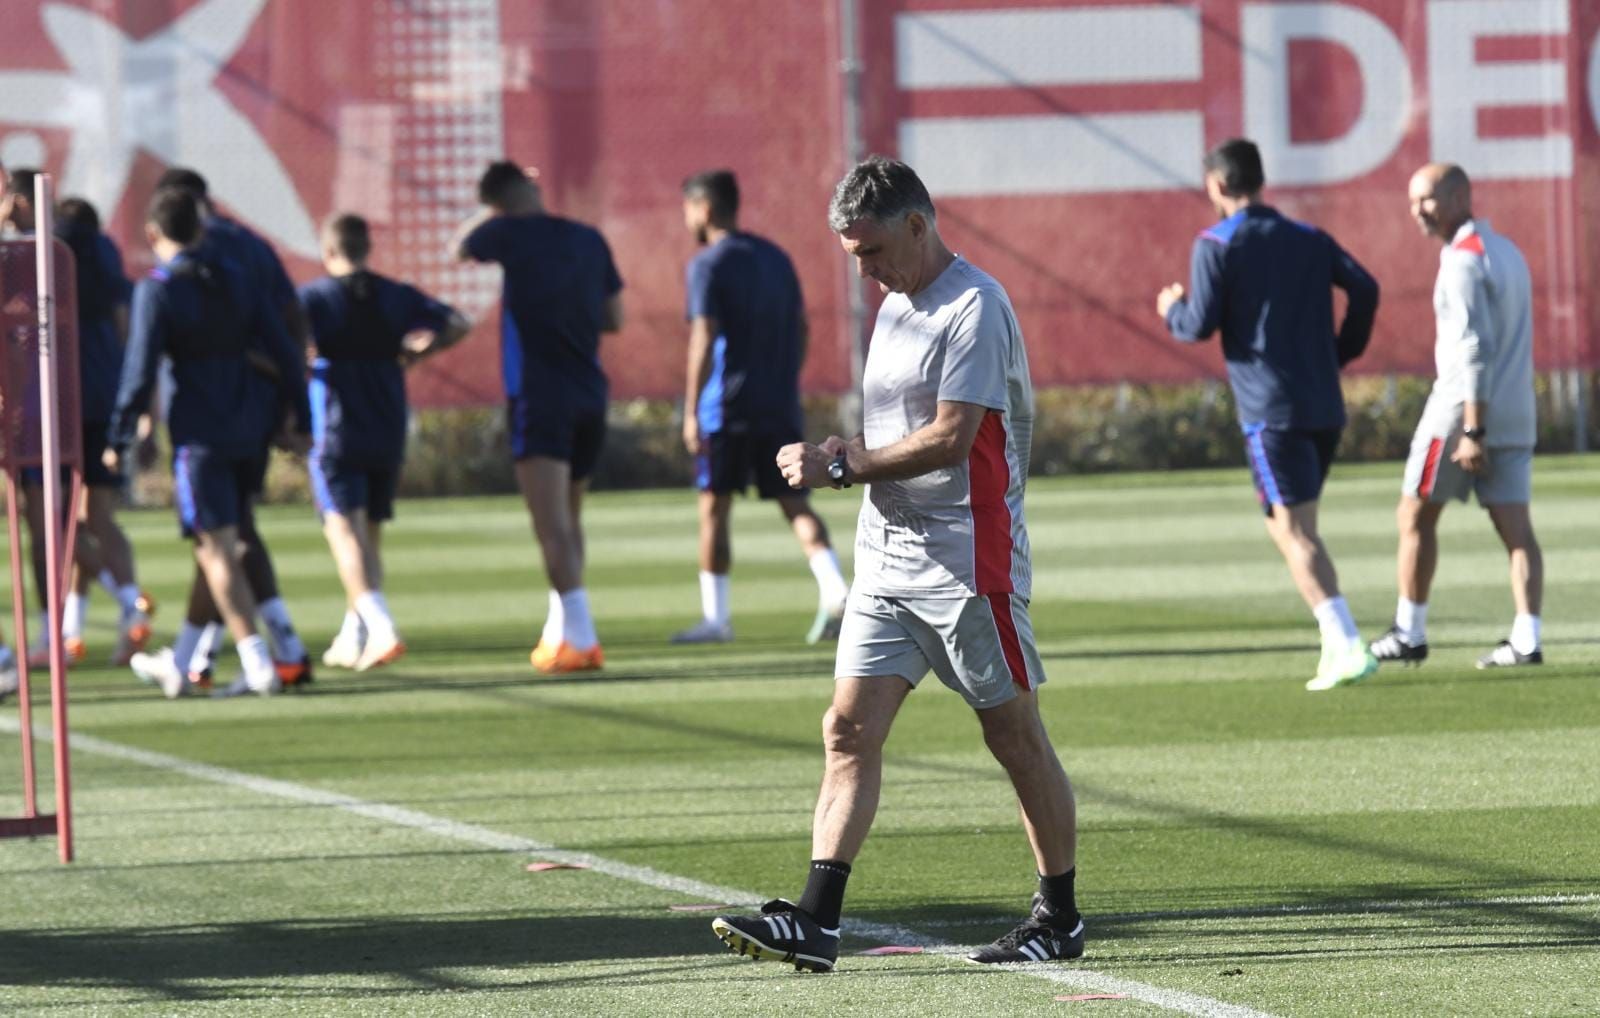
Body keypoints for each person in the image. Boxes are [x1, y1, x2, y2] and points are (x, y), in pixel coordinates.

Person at [711, 157, 1084, 972]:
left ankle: (1058, 919)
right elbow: (904, 429)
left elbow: (953, 437)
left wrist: (842, 468)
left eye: (872, 251)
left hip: (967, 561)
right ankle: (816, 919)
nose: (865, 271)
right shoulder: (897, 304)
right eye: (853, 256)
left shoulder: (976, 306)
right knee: (846, 729)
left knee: (1013, 735)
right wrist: (852, 453)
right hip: (888, 558)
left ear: (919, 225)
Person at [1157, 138, 1381, 692]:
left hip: (1270, 411)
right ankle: (1336, 643)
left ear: (1216, 184)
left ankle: (1347, 642)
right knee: (1287, 526)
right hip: (1323, 406)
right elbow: (1366, 288)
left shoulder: (1216, 242)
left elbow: (1197, 324)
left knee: (1295, 530)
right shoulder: (1307, 236)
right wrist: (1340, 352)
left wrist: (1170, 310)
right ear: (1259, 180)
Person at [105, 188, 311, 698]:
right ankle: (180, 661)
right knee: (219, 542)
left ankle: (256, 660)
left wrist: (120, 434)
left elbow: (140, 369)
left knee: (218, 547)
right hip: (250, 425)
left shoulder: (158, 289)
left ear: (153, 234)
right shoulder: (237, 278)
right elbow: (285, 352)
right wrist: (299, 417)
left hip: (201, 431)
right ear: (201, 229)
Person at [1370, 165, 1543, 669]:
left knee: (1415, 515)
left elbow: (1475, 349)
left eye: (1427, 199)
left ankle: (1410, 631)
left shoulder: (1462, 262)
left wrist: (1472, 430)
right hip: (1515, 411)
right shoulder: (1507, 252)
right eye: (1412, 201)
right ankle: (1527, 639)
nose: (1417, 211)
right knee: (1517, 529)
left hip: (1460, 416)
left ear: (1459, 196)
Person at [454, 161, 623, 675]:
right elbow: (614, 318)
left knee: (549, 524)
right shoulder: (588, 238)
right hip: (589, 392)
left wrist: (495, 208)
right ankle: (560, 628)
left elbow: (460, 249)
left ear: (497, 200)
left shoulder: (505, 231)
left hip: (539, 395)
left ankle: (583, 636)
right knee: (569, 519)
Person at [673, 169, 849, 645]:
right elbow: (802, 328)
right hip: (777, 404)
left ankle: (717, 620)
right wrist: (784, 380)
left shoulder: (708, 264)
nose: (686, 218)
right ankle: (837, 592)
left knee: (714, 508)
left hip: (724, 410)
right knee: (796, 501)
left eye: (688, 209)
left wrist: (690, 410)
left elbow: (704, 338)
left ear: (704, 209)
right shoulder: (775, 257)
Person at [300, 213, 469, 671]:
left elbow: (287, 338)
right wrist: (418, 352)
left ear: (329, 250)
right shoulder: (394, 293)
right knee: (369, 530)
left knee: (341, 530)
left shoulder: (315, 297)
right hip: (387, 421)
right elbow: (456, 322)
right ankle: (353, 633)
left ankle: (380, 626)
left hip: (336, 424)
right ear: (366, 248)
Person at [1, 169, 154, 666]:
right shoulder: (100, 246)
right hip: (102, 390)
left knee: (46, 520)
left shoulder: (26, 255)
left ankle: (112, 610)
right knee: (94, 516)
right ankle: (95, 617)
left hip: (49, 398)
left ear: (21, 202)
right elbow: (122, 317)